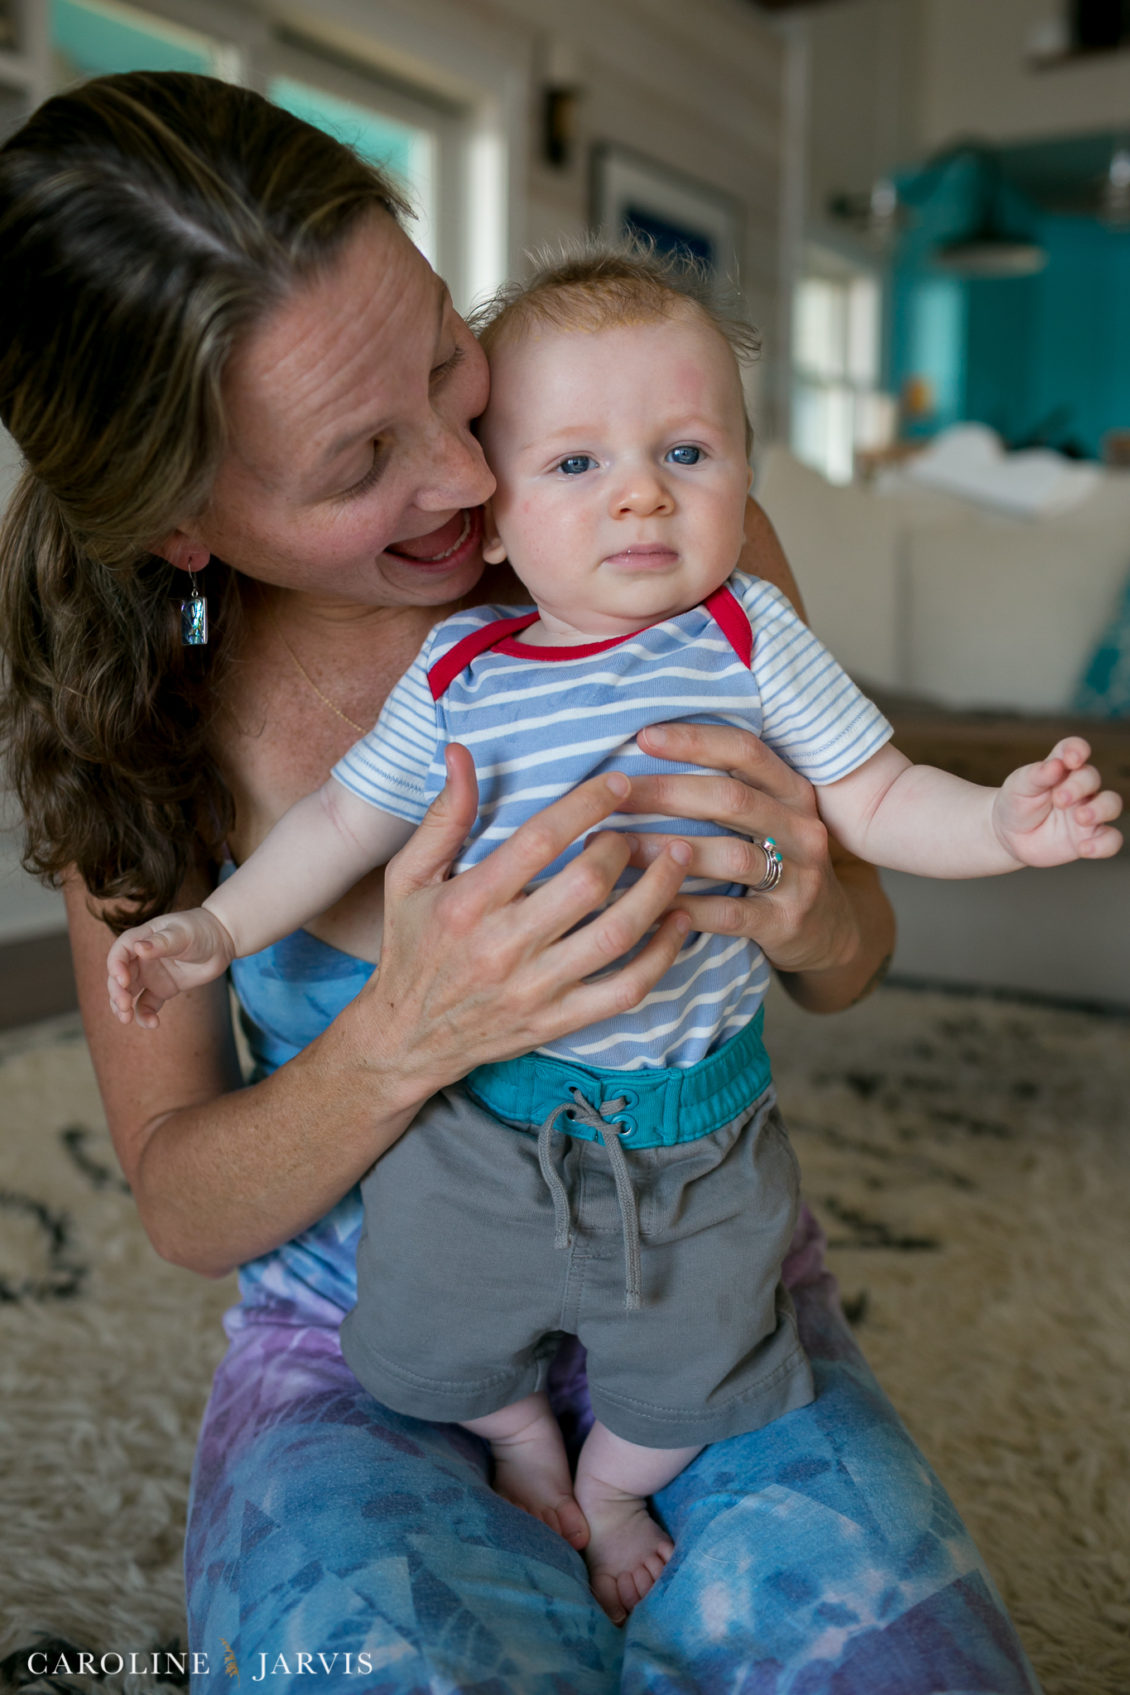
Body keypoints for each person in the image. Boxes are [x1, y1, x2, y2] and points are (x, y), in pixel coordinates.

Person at [0, 69, 1049, 1693]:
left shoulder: (656, 543)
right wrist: (404, 1034)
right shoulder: (139, 713)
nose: (463, 471)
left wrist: (812, 903)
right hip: (366, 1341)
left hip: (704, 1281)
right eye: (360, 460)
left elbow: (851, 955)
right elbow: (183, 1202)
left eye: (441, 356)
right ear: (185, 528)